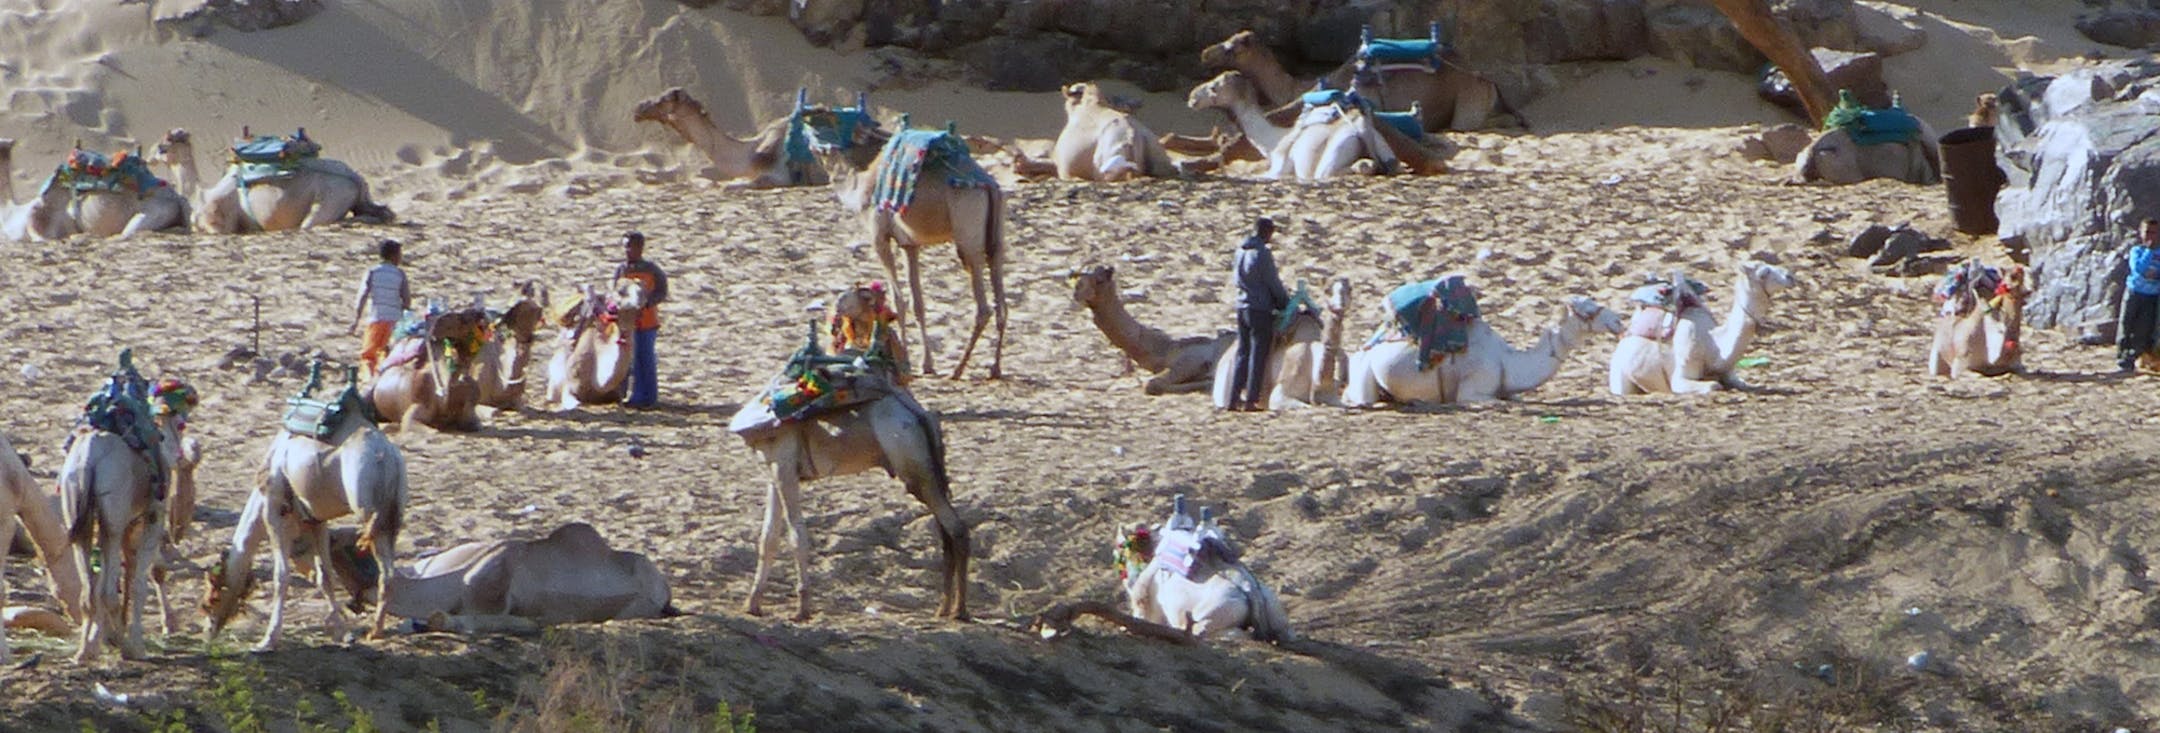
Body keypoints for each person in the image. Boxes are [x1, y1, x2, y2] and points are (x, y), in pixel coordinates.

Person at [1228, 217, 1289, 412]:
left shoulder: (1240, 251)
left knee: (1242, 352)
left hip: (1242, 306)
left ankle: (1233, 397)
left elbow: (1236, 279)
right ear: (1266, 232)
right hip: (1259, 308)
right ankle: (1251, 399)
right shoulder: (1262, 253)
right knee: (1258, 353)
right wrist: (1283, 302)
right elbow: (1272, 281)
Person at [613, 231, 669, 407]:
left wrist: (647, 302)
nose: (628, 250)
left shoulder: (651, 270)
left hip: (646, 323)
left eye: (631, 246)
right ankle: (620, 394)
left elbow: (661, 291)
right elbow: (615, 292)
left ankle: (645, 397)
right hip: (625, 323)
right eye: (626, 247)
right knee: (623, 360)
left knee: (644, 360)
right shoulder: (621, 270)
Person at [349, 239, 410, 378]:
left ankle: (369, 382)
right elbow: (406, 300)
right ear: (394, 256)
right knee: (391, 354)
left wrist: (356, 319)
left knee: (369, 355)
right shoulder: (400, 274)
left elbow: (362, 296)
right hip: (395, 321)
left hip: (376, 318)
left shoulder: (372, 271)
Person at [2118, 218, 2160, 372]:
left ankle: (2135, 355)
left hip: (2152, 296)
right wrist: (2148, 251)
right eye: (2147, 232)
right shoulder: (2137, 251)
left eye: (2153, 232)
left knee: (2143, 329)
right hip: (2135, 292)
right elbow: (2139, 269)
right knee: (2126, 324)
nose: (2150, 236)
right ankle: (2122, 358)